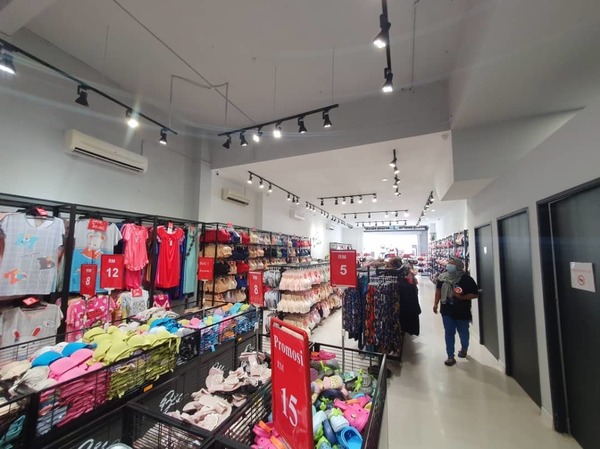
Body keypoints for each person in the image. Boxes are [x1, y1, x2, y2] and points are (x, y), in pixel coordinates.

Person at [433, 256, 479, 366]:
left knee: (463, 332)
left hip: (462, 311)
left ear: (458, 265)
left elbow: (475, 294)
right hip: (446, 310)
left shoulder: (466, 279)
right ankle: (450, 356)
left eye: (451, 263)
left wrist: (462, 297)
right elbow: (438, 291)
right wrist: (435, 304)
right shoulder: (442, 277)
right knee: (449, 332)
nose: (448, 265)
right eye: (448, 263)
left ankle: (464, 348)